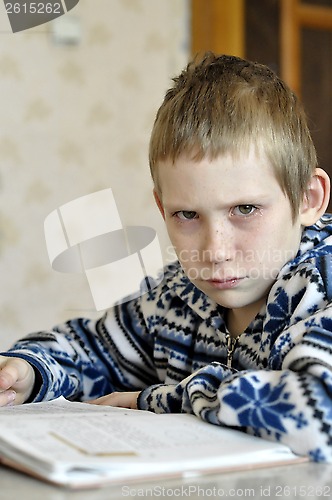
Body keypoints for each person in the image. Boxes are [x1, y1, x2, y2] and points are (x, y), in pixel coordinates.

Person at [0, 53, 331, 462]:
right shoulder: (175, 297)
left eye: (245, 209)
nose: (215, 250)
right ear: (162, 208)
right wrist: (26, 370)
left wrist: (157, 401)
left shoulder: (322, 285)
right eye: (187, 215)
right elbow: (90, 349)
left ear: (307, 199)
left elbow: (320, 413)